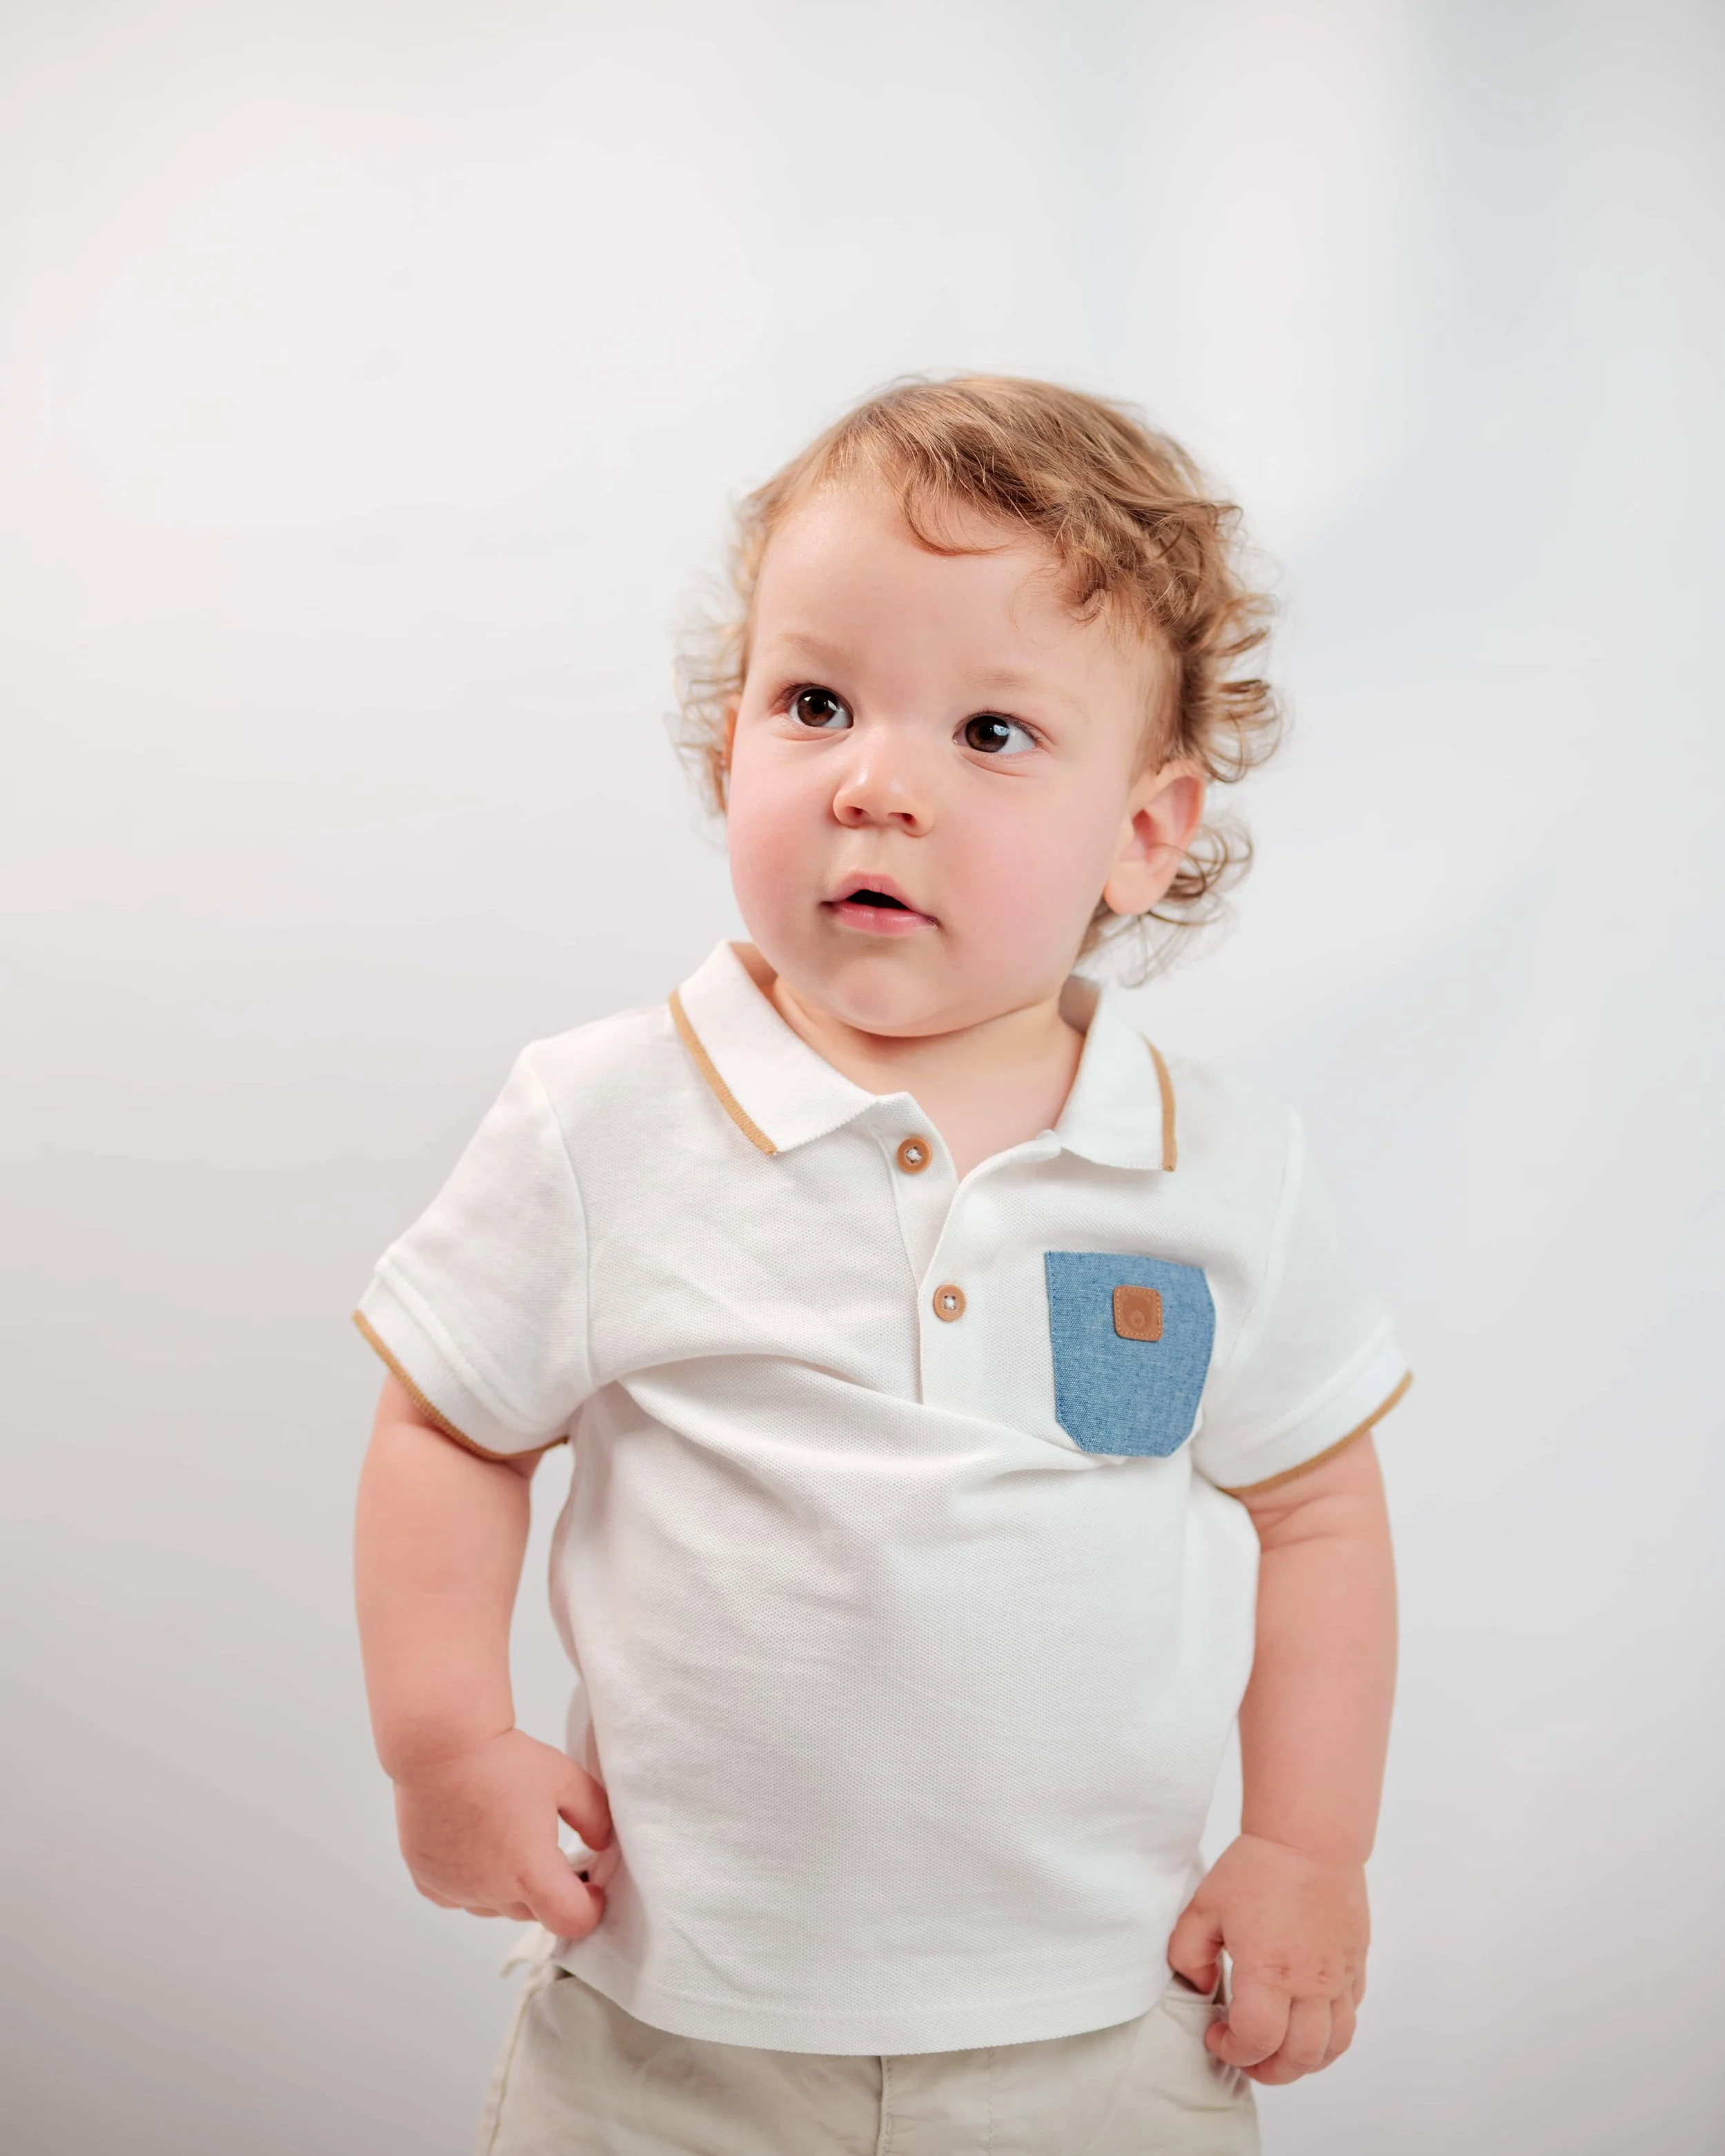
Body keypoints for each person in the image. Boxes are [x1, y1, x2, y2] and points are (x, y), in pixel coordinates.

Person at [353, 376, 1410, 2155]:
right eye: (817, 702)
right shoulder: (602, 1119)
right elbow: (451, 1429)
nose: (875, 784)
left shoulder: (1217, 1171)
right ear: (727, 747)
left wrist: (1308, 1847)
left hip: (1101, 2028)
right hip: (667, 2027)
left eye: (991, 734)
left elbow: (1318, 1513)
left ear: (1146, 834)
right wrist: (444, 1746)